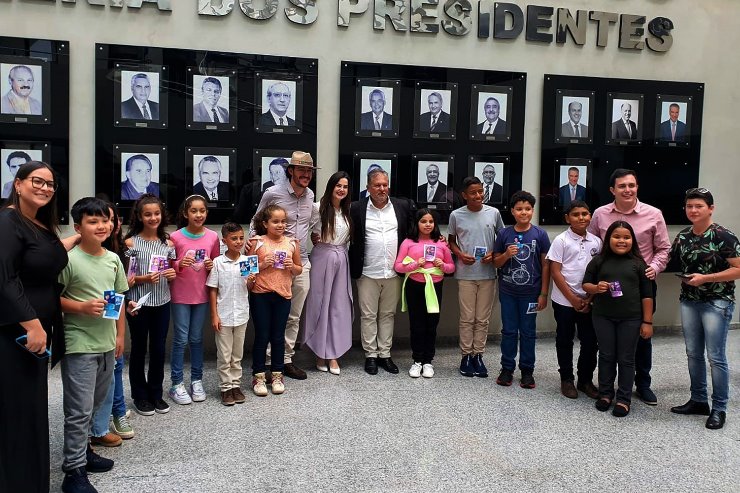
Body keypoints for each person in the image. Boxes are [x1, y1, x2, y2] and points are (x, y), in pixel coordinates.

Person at [0, 162, 68, 493]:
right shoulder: (7, 221)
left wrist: (83, 236)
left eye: (50, 184)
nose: (44, 188)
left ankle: (33, 479)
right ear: (18, 184)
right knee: (18, 410)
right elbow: (5, 278)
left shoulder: (37, 224)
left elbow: (47, 255)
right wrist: (32, 324)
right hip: (17, 333)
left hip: (37, 331)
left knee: (31, 407)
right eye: (36, 181)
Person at [58, 197, 130, 492]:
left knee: (95, 404)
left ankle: (84, 452)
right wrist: (81, 307)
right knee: (78, 410)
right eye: (93, 221)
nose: (101, 226)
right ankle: (72, 470)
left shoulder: (112, 259)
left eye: (105, 220)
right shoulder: (69, 259)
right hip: (79, 345)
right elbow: (51, 299)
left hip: (106, 344)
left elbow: (119, 299)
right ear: (78, 227)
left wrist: (120, 335)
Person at [588, 168, 670, 405]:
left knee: (642, 337)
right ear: (612, 189)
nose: (628, 190)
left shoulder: (653, 214)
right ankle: (606, 389)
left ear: (637, 187)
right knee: (607, 344)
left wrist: (653, 268)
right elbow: (593, 246)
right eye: (622, 186)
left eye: (632, 185)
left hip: (640, 286)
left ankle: (642, 385)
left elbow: (663, 248)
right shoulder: (600, 214)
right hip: (605, 288)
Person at [669, 188, 740, 430]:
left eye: (699, 206)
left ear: (710, 208)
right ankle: (699, 400)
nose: (693, 210)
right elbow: (669, 259)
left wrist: (706, 278)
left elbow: (738, 268)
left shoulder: (723, 235)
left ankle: (719, 408)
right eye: (689, 206)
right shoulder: (684, 236)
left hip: (716, 302)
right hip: (689, 300)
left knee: (716, 357)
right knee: (693, 353)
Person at [250, 150, 319, 380]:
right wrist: (255, 253)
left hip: (299, 263)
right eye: (301, 170)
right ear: (291, 171)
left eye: (309, 171)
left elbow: (313, 225)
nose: (306, 174)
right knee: (268, 318)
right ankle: (267, 363)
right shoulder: (273, 193)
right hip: (271, 267)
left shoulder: (310, 196)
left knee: (293, 316)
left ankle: (285, 360)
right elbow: (255, 222)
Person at [583, 220, 654, 418]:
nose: (621, 241)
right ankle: (606, 394)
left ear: (633, 240)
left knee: (626, 358)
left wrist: (647, 322)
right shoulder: (599, 260)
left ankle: (624, 398)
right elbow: (585, 284)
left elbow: (647, 295)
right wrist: (596, 288)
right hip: (603, 316)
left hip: (631, 319)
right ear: (608, 239)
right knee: (606, 356)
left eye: (626, 237)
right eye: (616, 237)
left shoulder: (639, 264)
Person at [349, 168, 415, 375]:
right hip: (368, 270)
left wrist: (437, 238)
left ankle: (385, 354)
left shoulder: (401, 206)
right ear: (368, 187)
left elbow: (417, 228)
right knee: (368, 315)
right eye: (377, 185)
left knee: (388, 314)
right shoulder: (356, 208)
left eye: (385, 184)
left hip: (394, 271)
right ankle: (370, 355)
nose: (381, 189)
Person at [124, 194, 176, 416]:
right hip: (138, 303)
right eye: (148, 214)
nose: (153, 218)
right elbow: (125, 278)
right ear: (139, 216)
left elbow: (172, 272)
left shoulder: (168, 243)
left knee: (158, 348)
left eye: (156, 213)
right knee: (138, 348)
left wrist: (172, 274)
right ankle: (139, 395)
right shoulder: (131, 243)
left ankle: (156, 392)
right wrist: (145, 278)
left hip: (162, 302)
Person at [493, 190, 551, 389]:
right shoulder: (504, 234)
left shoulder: (540, 234)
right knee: (509, 331)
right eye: (519, 209)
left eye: (527, 209)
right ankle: (507, 368)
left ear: (533, 211)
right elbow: (496, 262)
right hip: (508, 291)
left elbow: (545, 265)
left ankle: (527, 370)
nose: (523, 212)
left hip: (531, 292)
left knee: (528, 332)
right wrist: (507, 255)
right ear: (512, 211)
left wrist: (543, 293)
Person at [448, 177, 505, 377]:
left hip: (488, 274)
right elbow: (451, 241)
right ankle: (466, 355)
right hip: (465, 274)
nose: (478, 196)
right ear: (464, 195)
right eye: (473, 193)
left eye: (481, 191)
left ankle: (478, 355)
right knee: (467, 318)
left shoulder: (494, 213)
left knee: (482, 318)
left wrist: (494, 254)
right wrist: (460, 254)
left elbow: (503, 238)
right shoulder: (456, 215)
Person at [89, 203, 135, 447]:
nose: (108, 225)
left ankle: (114, 415)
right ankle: (96, 424)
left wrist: (119, 333)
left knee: (115, 367)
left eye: (112, 219)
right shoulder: (84, 249)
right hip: (86, 325)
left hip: (112, 317)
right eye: (100, 220)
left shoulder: (118, 251)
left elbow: (118, 293)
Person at [546, 200, 602, 399]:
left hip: (589, 300)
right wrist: (573, 298)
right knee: (564, 339)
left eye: (585, 214)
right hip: (564, 301)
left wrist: (589, 298)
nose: (581, 217)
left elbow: (599, 272)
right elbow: (555, 272)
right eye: (576, 214)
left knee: (590, 341)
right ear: (567, 218)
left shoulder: (596, 241)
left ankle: (585, 380)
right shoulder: (561, 241)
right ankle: (566, 379)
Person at [168, 195, 220, 405]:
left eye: (202, 211)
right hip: (180, 295)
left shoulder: (212, 237)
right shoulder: (175, 237)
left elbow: (217, 264)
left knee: (197, 339)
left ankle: (196, 380)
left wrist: (210, 266)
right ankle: (176, 383)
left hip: (201, 295)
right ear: (185, 213)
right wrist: (180, 263)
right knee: (180, 339)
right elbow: (167, 266)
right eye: (194, 211)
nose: (199, 215)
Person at [247, 205, 302, 396]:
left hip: (283, 295)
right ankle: (259, 375)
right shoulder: (257, 242)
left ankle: (277, 374)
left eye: (283, 221)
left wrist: (291, 266)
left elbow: (299, 269)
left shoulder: (292, 243)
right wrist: (263, 264)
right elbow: (246, 269)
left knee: (278, 336)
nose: (280, 225)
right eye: (275, 221)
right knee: (262, 336)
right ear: (265, 223)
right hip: (261, 294)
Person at [303, 172, 353, 374]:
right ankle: (320, 353)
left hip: (342, 258)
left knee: (338, 306)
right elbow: (300, 229)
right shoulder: (317, 208)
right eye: (338, 185)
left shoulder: (347, 210)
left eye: (345, 186)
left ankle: (334, 354)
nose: (342, 189)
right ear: (331, 186)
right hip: (322, 257)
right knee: (320, 304)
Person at [395, 209, 455, 378]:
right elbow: (398, 266)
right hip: (414, 286)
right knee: (416, 324)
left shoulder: (441, 243)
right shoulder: (408, 242)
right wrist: (414, 265)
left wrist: (443, 265)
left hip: (435, 287)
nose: (427, 224)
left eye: (430, 221)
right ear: (417, 223)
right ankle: (417, 361)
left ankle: (428, 361)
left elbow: (452, 268)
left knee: (431, 324)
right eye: (423, 221)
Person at [206, 222, 252, 406]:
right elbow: (213, 289)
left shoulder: (247, 261)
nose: (239, 241)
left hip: (241, 314)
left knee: (237, 354)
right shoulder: (218, 262)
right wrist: (214, 315)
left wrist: (252, 281)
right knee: (224, 354)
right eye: (234, 238)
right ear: (224, 241)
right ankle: (225, 388)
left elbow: (250, 287)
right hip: (223, 315)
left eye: (241, 238)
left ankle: (236, 385)